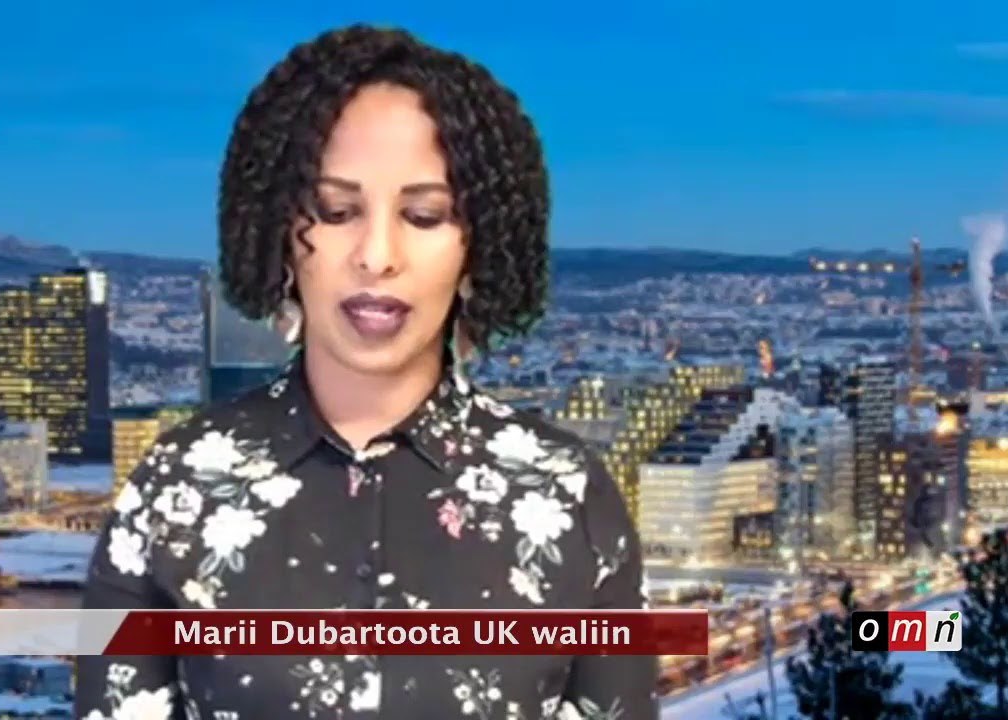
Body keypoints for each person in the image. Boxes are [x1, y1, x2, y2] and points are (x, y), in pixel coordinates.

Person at [75, 24, 657, 720]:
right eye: (336, 210)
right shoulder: (177, 486)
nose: (376, 255)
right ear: (276, 232)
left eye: (424, 214)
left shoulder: (567, 494)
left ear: (480, 246)